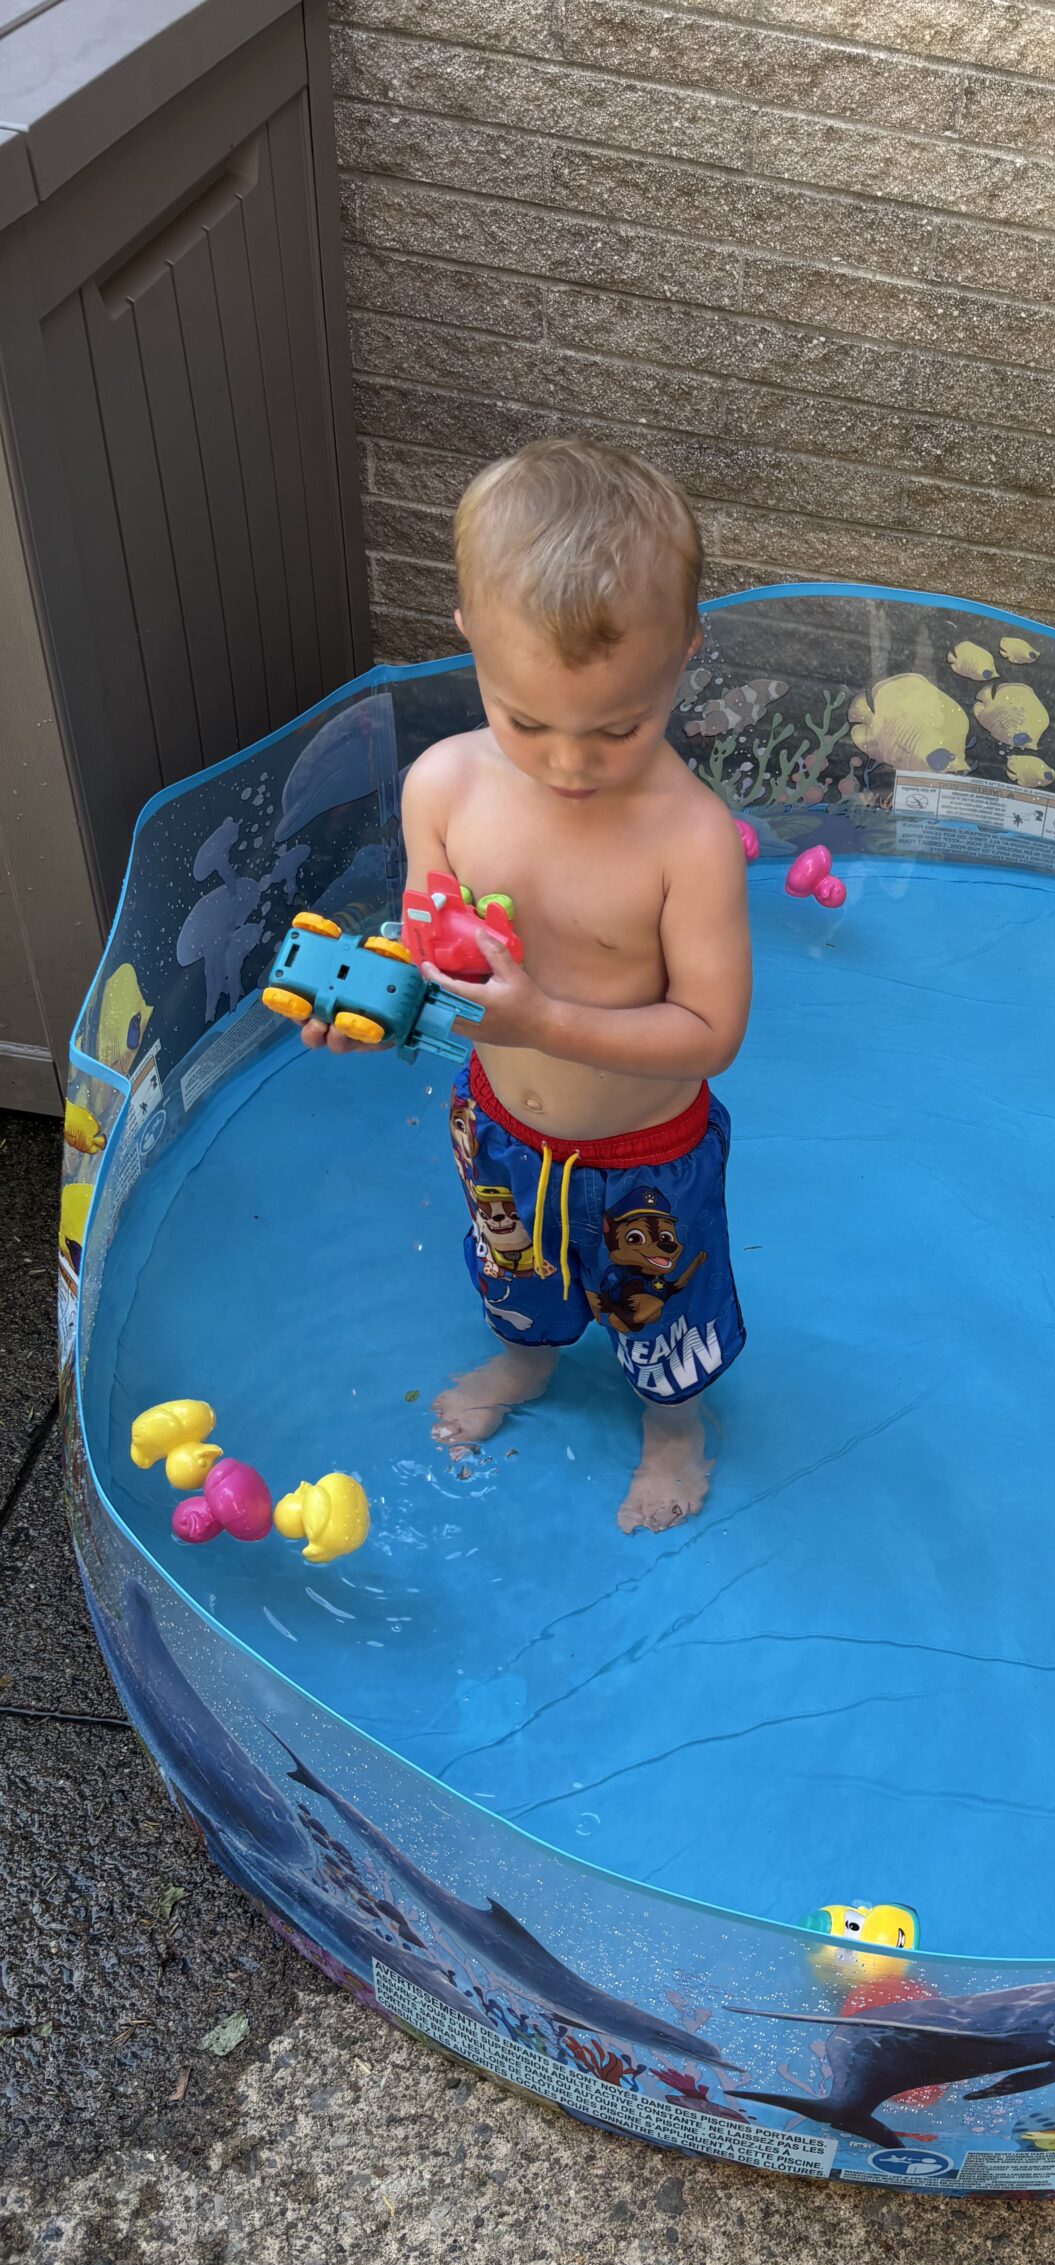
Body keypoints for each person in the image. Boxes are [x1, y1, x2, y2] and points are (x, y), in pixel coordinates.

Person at [304, 439, 751, 1531]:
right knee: (515, 1276)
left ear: (684, 656)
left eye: (618, 726)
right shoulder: (444, 788)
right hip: (502, 1124)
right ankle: (530, 1363)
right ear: (470, 645)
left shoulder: (687, 838)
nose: (569, 763)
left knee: (667, 1319)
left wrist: (546, 1016)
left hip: (648, 1151)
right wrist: (376, 1006)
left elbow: (710, 1031)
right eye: (526, 718)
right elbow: (429, 947)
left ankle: (674, 1426)